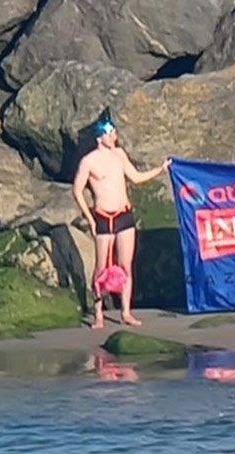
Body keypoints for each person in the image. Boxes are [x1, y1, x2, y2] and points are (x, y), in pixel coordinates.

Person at [72, 117, 171, 329]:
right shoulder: (89, 161)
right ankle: (99, 315)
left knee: (126, 266)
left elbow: (135, 177)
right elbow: (77, 190)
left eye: (114, 132)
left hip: (124, 215)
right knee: (101, 268)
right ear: (100, 138)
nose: (114, 136)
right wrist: (89, 219)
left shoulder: (119, 154)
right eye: (110, 133)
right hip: (103, 217)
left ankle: (126, 312)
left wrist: (160, 170)